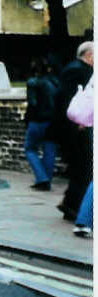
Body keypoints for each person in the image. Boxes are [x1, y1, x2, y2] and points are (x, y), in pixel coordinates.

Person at [54, 41, 93, 221]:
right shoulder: (76, 70)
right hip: (76, 127)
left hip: (81, 126)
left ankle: (71, 203)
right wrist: (77, 122)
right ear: (89, 55)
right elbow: (66, 97)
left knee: (82, 167)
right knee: (83, 167)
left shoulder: (81, 69)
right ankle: (73, 206)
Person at [23, 57, 60, 190]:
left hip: (37, 121)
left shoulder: (33, 83)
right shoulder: (56, 82)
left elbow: (32, 104)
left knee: (30, 148)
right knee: (49, 151)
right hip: (52, 121)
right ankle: (47, 180)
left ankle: (42, 177)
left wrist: (27, 120)